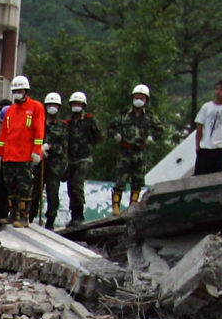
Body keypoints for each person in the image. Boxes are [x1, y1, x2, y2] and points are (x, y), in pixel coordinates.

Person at [0, 76, 47, 227]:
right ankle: (13, 214)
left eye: (19, 90)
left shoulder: (35, 107)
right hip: (9, 155)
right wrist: (0, 153)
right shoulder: (10, 111)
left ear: (26, 91)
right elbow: (3, 134)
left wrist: (36, 151)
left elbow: (39, 131)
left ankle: (24, 216)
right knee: (11, 186)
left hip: (25, 155)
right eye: (15, 91)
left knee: (24, 187)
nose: (17, 93)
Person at [109, 84, 162, 213]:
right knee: (120, 180)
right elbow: (111, 127)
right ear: (133, 98)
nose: (139, 100)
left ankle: (133, 205)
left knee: (137, 181)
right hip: (124, 151)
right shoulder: (124, 115)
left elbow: (160, 129)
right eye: (137, 97)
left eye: (142, 98)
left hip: (140, 151)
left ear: (146, 100)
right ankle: (115, 206)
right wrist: (115, 135)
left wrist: (152, 137)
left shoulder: (150, 116)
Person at [61, 91, 102, 229]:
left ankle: (79, 216)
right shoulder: (68, 122)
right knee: (71, 187)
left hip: (84, 157)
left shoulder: (90, 120)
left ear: (83, 105)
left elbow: (99, 136)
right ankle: (74, 216)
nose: (76, 106)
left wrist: (88, 146)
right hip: (71, 159)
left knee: (77, 184)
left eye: (78, 104)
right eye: (74, 104)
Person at [192, 79, 222, 176]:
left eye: (221, 90)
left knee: (217, 175)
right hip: (206, 147)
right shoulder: (207, 107)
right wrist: (197, 144)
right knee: (200, 175)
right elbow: (199, 126)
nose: (218, 92)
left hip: (220, 147)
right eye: (216, 89)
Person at [39, 92, 67, 228]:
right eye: (50, 105)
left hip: (54, 164)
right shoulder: (39, 123)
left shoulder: (62, 126)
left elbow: (64, 147)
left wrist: (50, 147)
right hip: (38, 161)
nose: (52, 107)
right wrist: (39, 148)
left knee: (52, 192)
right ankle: (30, 214)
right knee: (35, 191)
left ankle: (50, 219)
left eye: (55, 105)